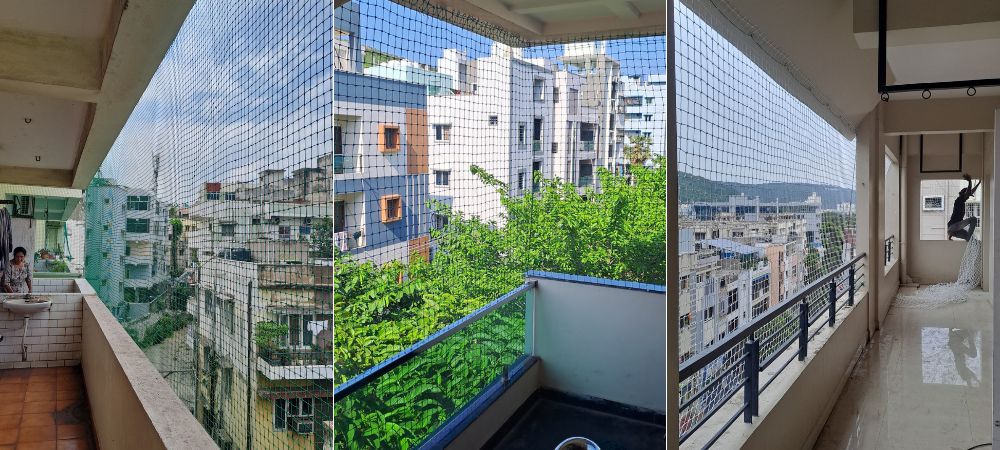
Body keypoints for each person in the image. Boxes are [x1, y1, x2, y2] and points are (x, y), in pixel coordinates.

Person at [948, 174, 981, 241]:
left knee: (970, 237)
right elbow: (968, 192)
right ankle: (969, 239)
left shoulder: (961, 201)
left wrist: (979, 183)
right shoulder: (959, 199)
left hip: (954, 230)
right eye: (968, 195)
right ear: (964, 194)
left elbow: (970, 191)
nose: (968, 197)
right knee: (973, 219)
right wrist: (969, 181)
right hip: (954, 226)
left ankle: (970, 240)